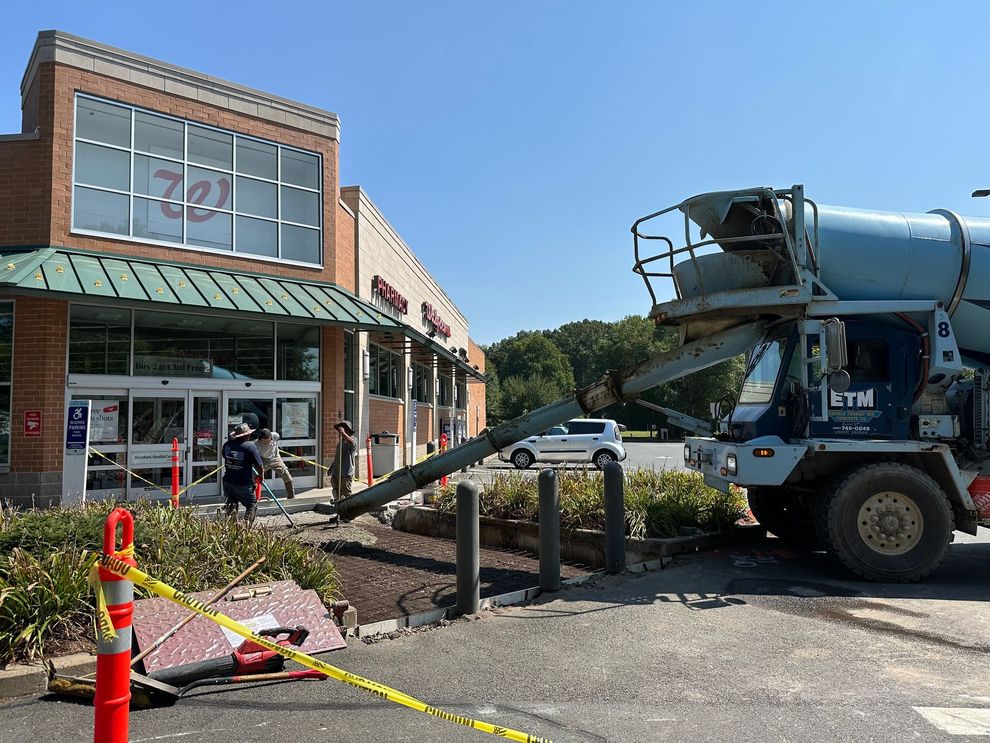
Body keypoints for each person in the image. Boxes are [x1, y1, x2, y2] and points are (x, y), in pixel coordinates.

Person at [222, 422, 264, 525]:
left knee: (231, 504)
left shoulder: (227, 444)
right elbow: (259, 465)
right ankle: (245, 529)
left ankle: (231, 529)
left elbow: (225, 456)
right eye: (249, 433)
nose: (250, 435)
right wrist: (261, 475)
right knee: (251, 505)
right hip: (243, 484)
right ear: (246, 435)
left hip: (228, 481)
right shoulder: (249, 447)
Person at [254, 428, 294, 499]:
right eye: (264, 442)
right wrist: (261, 474)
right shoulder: (256, 444)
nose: (266, 443)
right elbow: (257, 460)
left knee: (287, 475)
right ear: (260, 439)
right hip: (263, 460)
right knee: (255, 477)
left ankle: (291, 497)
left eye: (268, 441)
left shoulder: (275, 436)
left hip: (275, 458)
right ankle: (253, 497)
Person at [329, 420, 356, 503]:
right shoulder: (340, 443)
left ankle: (350, 510)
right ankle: (339, 512)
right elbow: (338, 457)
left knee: (346, 493)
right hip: (336, 472)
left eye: (342, 430)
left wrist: (343, 434)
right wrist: (331, 468)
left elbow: (352, 444)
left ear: (347, 430)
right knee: (336, 493)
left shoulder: (353, 439)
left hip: (345, 473)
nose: (339, 433)